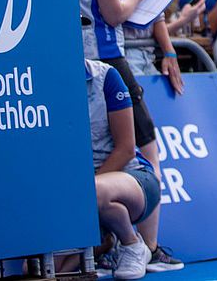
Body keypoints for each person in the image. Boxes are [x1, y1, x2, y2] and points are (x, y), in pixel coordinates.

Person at [71, 0, 182, 274]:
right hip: (105, 58)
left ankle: (108, 243)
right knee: (145, 150)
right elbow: (115, 14)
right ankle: (145, 246)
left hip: (70, 59)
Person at [80, 58, 162, 279]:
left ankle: (132, 244)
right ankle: (107, 242)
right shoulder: (42, 81)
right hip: (84, 194)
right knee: (32, 271)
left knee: (93, 192)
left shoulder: (106, 76)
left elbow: (126, 149)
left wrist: (84, 199)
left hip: (133, 178)